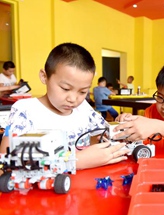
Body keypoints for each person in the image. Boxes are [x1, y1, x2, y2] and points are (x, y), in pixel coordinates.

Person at [0, 43, 130, 169]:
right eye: (65, 88)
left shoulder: (83, 108)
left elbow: (105, 132)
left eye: (83, 91)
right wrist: (74, 161)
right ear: (44, 76)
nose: (73, 99)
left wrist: (121, 124)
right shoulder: (25, 110)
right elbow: (5, 162)